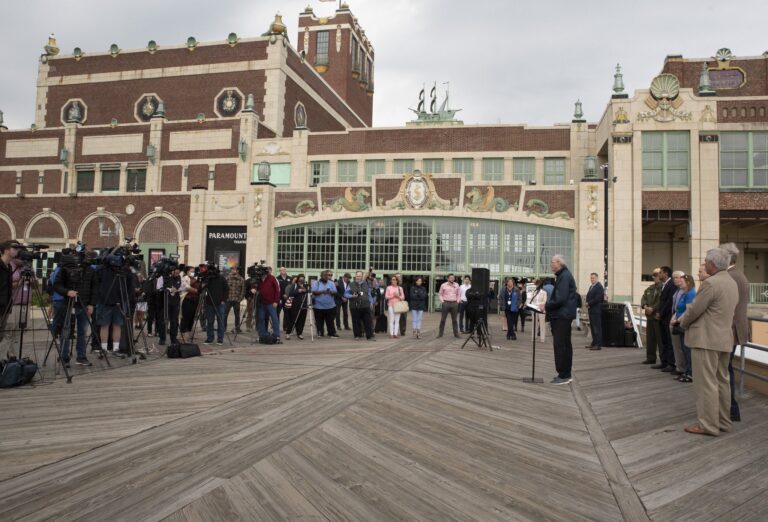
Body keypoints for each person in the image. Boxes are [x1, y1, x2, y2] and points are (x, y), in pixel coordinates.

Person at [680, 248, 738, 436]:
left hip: (706, 340)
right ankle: (723, 422)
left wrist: (683, 322)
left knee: (706, 384)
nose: (704, 265)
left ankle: (708, 425)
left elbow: (695, 310)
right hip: (723, 339)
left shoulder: (710, 283)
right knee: (722, 381)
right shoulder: (731, 281)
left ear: (712, 264)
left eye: (705, 262)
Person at [51, 254, 98, 367]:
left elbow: (95, 288)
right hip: (68, 303)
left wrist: (92, 304)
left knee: (82, 331)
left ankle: (81, 357)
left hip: (84, 304)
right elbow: (57, 285)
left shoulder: (90, 270)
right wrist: (67, 292)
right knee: (66, 331)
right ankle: (64, 357)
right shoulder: (64, 269)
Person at [720, 242, 749, 422]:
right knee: (726, 369)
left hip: (728, 331)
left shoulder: (729, 277)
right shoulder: (739, 275)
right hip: (734, 330)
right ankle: (730, 408)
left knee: (724, 370)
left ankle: (730, 408)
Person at [545, 255, 577, 385]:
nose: (551, 264)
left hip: (561, 316)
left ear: (558, 263)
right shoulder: (564, 275)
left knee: (561, 345)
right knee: (565, 344)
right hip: (563, 315)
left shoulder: (564, 276)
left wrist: (546, 305)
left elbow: (560, 298)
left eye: (552, 262)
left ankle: (563, 375)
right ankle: (565, 373)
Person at [94, 257, 136, 357]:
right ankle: (104, 348)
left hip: (119, 301)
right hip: (105, 301)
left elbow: (130, 285)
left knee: (117, 325)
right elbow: (96, 281)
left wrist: (127, 298)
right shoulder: (103, 270)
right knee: (105, 325)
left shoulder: (125, 271)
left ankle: (116, 348)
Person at [671, 274, 696, 382]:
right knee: (684, 350)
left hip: (684, 325)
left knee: (687, 350)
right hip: (679, 324)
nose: (680, 282)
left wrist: (677, 320)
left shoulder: (690, 294)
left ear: (688, 282)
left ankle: (690, 373)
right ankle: (686, 371)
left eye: (682, 281)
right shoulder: (684, 294)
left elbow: (688, 311)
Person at [653, 266, 676, 372]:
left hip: (667, 317)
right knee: (664, 341)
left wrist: (660, 313)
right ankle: (664, 362)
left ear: (666, 274)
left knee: (669, 341)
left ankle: (671, 364)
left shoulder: (671, 285)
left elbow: (669, 302)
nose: (659, 275)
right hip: (662, 317)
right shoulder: (664, 285)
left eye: (660, 273)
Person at [0, 241, 20, 350]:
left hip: (5, 306)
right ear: (7, 250)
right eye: (15, 248)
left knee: (1, 335)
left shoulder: (9, 267)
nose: (17, 250)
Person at [640, 269, 662, 365]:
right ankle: (650, 357)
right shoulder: (650, 289)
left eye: (656, 275)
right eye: (653, 275)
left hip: (657, 316)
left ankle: (663, 360)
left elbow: (661, 301)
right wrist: (645, 306)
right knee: (650, 339)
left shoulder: (663, 288)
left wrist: (653, 308)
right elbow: (643, 298)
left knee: (660, 339)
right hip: (649, 317)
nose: (654, 277)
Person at [202, 268, 228, 345]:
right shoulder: (208, 278)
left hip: (220, 303)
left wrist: (224, 300)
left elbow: (226, 289)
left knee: (220, 321)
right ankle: (210, 338)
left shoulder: (222, 278)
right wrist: (204, 281)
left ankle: (220, 338)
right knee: (209, 321)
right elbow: (202, 289)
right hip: (209, 303)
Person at [347, 271, 374, 340]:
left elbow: (369, 294)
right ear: (355, 276)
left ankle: (369, 336)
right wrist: (351, 296)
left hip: (365, 305)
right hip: (354, 306)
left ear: (362, 277)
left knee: (368, 321)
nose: (358, 277)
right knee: (356, 321)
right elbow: (345, 294)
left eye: (359, 276)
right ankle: (357, 335)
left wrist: (371, 302)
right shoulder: (350, 284)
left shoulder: (366, 284)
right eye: (357, 276)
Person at [669, 270, 687, 376]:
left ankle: (682, 368)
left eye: (677, 277)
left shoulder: (686, 291)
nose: (675, 279)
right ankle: (679, 366)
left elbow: (687, 308)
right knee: (676, 346)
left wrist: (677, 318)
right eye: (674, 278)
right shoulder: (678, 290)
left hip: (679, 320)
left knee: (680, 346)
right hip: (674, 319)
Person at [257, 267, 281, 343]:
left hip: (271, 303)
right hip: (261, 303)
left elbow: (277, 290)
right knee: (261, 319)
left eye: (263, 275)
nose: (262, 276)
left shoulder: (272, 278)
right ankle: (262, 334)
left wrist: (276, 301)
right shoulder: (258, 279)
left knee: (274, 318)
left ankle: (276, 334)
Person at [311, 271, 338, 338]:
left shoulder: (331, 283)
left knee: (330, 321)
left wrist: (330, 292)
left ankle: (331, 333)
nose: (326, 277)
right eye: (325, 275)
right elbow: (314, 292)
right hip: (318, 306)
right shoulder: (316, 283)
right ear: (321, 276)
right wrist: (322, 291)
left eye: (327, 275)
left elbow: (335, 292)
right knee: (319, 321)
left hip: (330, 306)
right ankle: (320, 333)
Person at [286, 274, 309, 340]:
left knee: (302, 320)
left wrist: (306, 290)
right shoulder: (294, 285)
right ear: (298, 279)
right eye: (301, 278)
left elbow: (309, 292)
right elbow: (290, 293)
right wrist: (298, 291)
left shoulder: (306, 285)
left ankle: (299, 333)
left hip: (304, 305)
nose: (302, 280)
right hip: (295, 305)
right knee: (293, 319)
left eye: (303, 278)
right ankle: (288, 333)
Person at [437, 274, 461, 338]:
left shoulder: (457, 285)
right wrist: (443, 301)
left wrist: (457, 301)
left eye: (453, 278)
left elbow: (458, 294)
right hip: (446, 303)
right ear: (448, 278)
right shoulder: (443, 285)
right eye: (451, 278)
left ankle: (456, 334)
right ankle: (440, 333)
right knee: (443, 319)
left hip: (454, 303)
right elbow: (440, 294)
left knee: (455, 320)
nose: (452, 279)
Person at [179, 268, 199, 342]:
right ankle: (183, 333)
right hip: (187, 299)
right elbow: (186, 287)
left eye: (194, 271)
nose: (193, 272)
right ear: (187, 271)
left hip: (194, 300)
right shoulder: (184, 278)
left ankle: (189, 333)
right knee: (185, 317)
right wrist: (197, 291)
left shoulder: (195, 278)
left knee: (192, 317)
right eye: (191, 271)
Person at [225, 267, 245, 334]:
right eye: (232, 270)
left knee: (237, 315)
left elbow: (243, 290)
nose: (233, 271)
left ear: (237, 271)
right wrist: (224, 298)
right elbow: (223, 288)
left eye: (234, 270)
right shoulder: (227, 278)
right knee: (225, 315)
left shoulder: (241, 279)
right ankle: (223, 328)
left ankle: (237, 328)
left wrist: (240, 299)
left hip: (236, 300)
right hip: (228, 299)